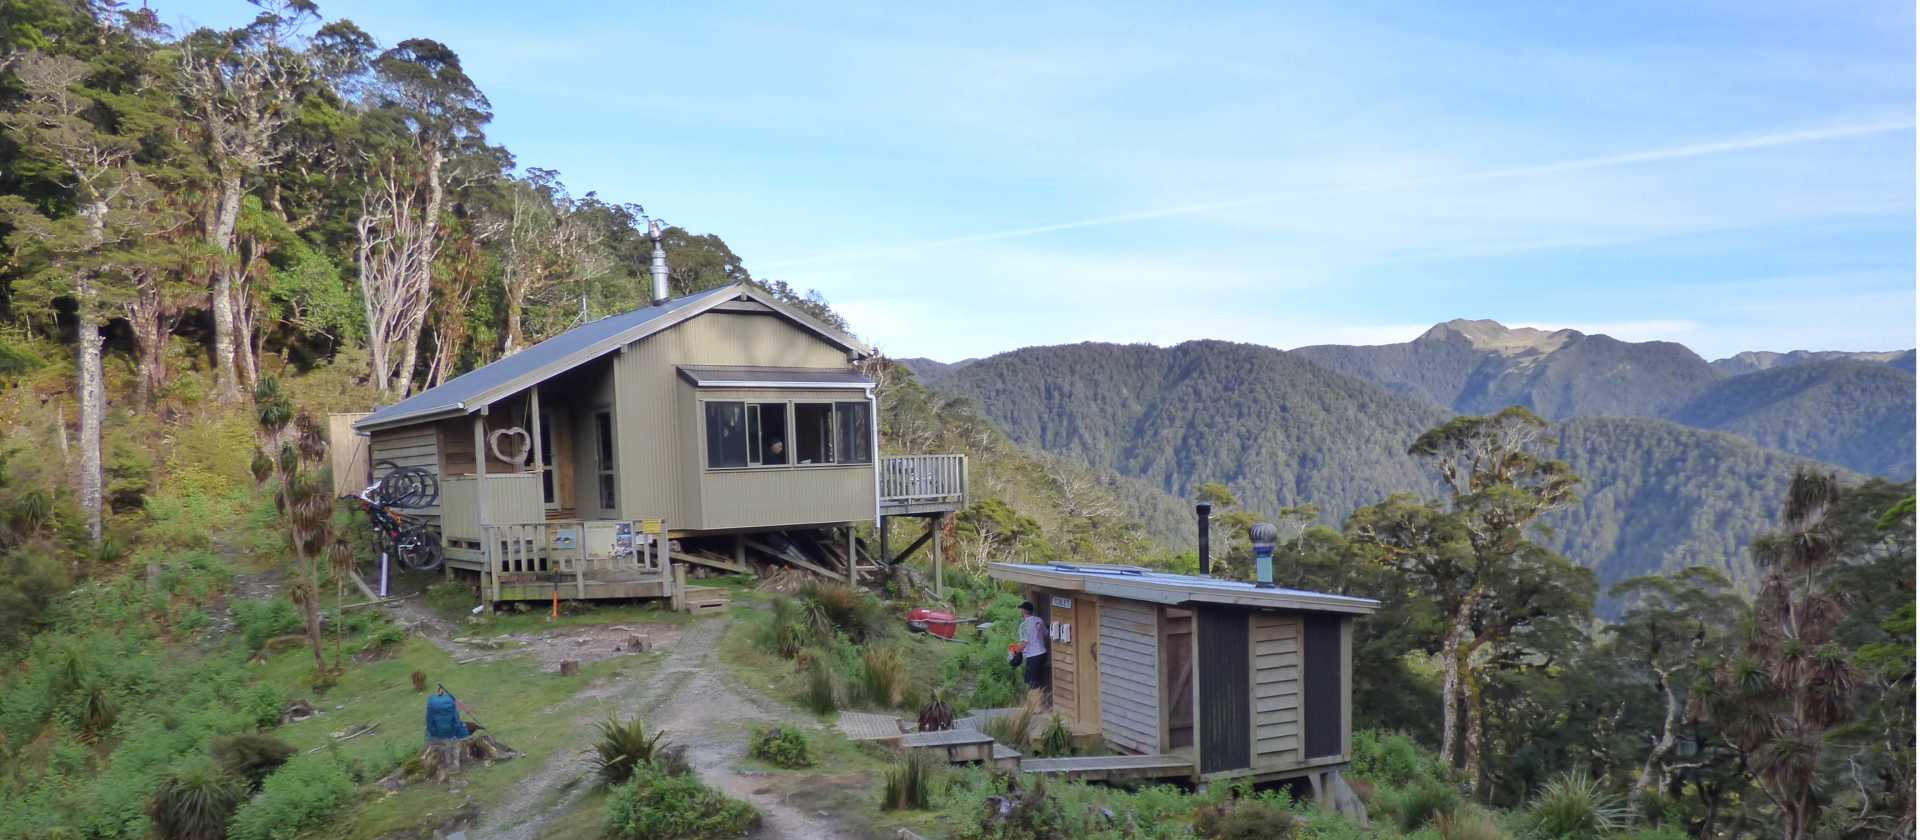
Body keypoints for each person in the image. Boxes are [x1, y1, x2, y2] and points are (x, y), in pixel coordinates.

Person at [1016, 601, 1050, 707]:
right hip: (1043, 654)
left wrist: (1015, 651)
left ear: (1024, 611)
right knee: (1039, 680)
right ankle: (1042, 704)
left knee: (1032, 682)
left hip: (1033, 656)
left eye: (1021, 609)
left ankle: (1035, 707)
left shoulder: (1023, 625)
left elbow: (1024, 643)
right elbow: (1046, 633)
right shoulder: (1039, 620)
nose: (1020, 611)